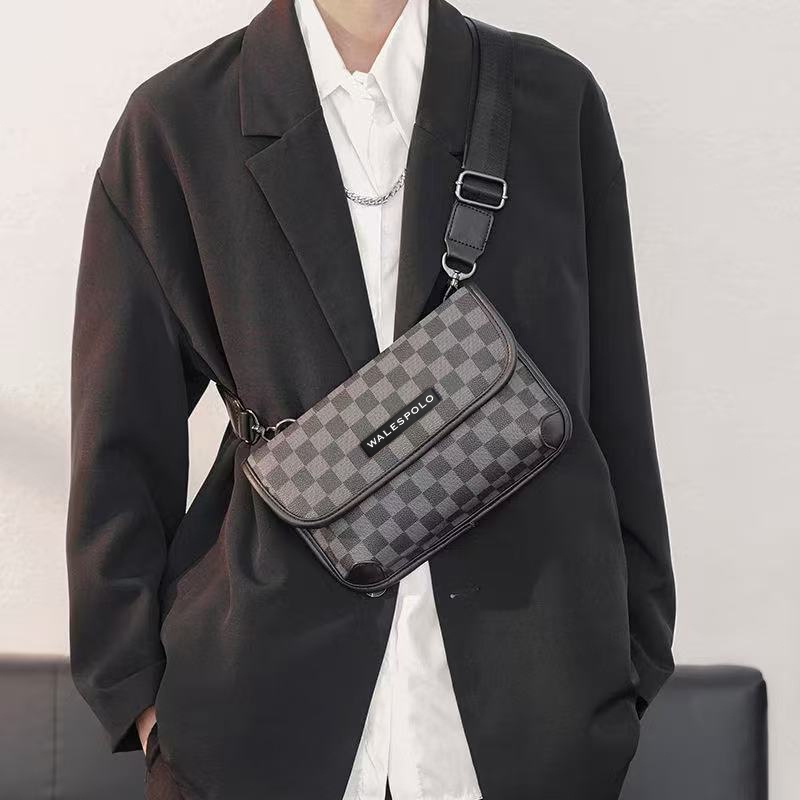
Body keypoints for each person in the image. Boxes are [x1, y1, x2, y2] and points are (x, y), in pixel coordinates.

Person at [66, 0, 676, 798]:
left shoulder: (553, 101)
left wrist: (631, 656)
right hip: (257, 710)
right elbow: (118, 442)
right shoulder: (177, 124)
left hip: (532, 699)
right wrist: (140, 698)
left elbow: (613, 393)